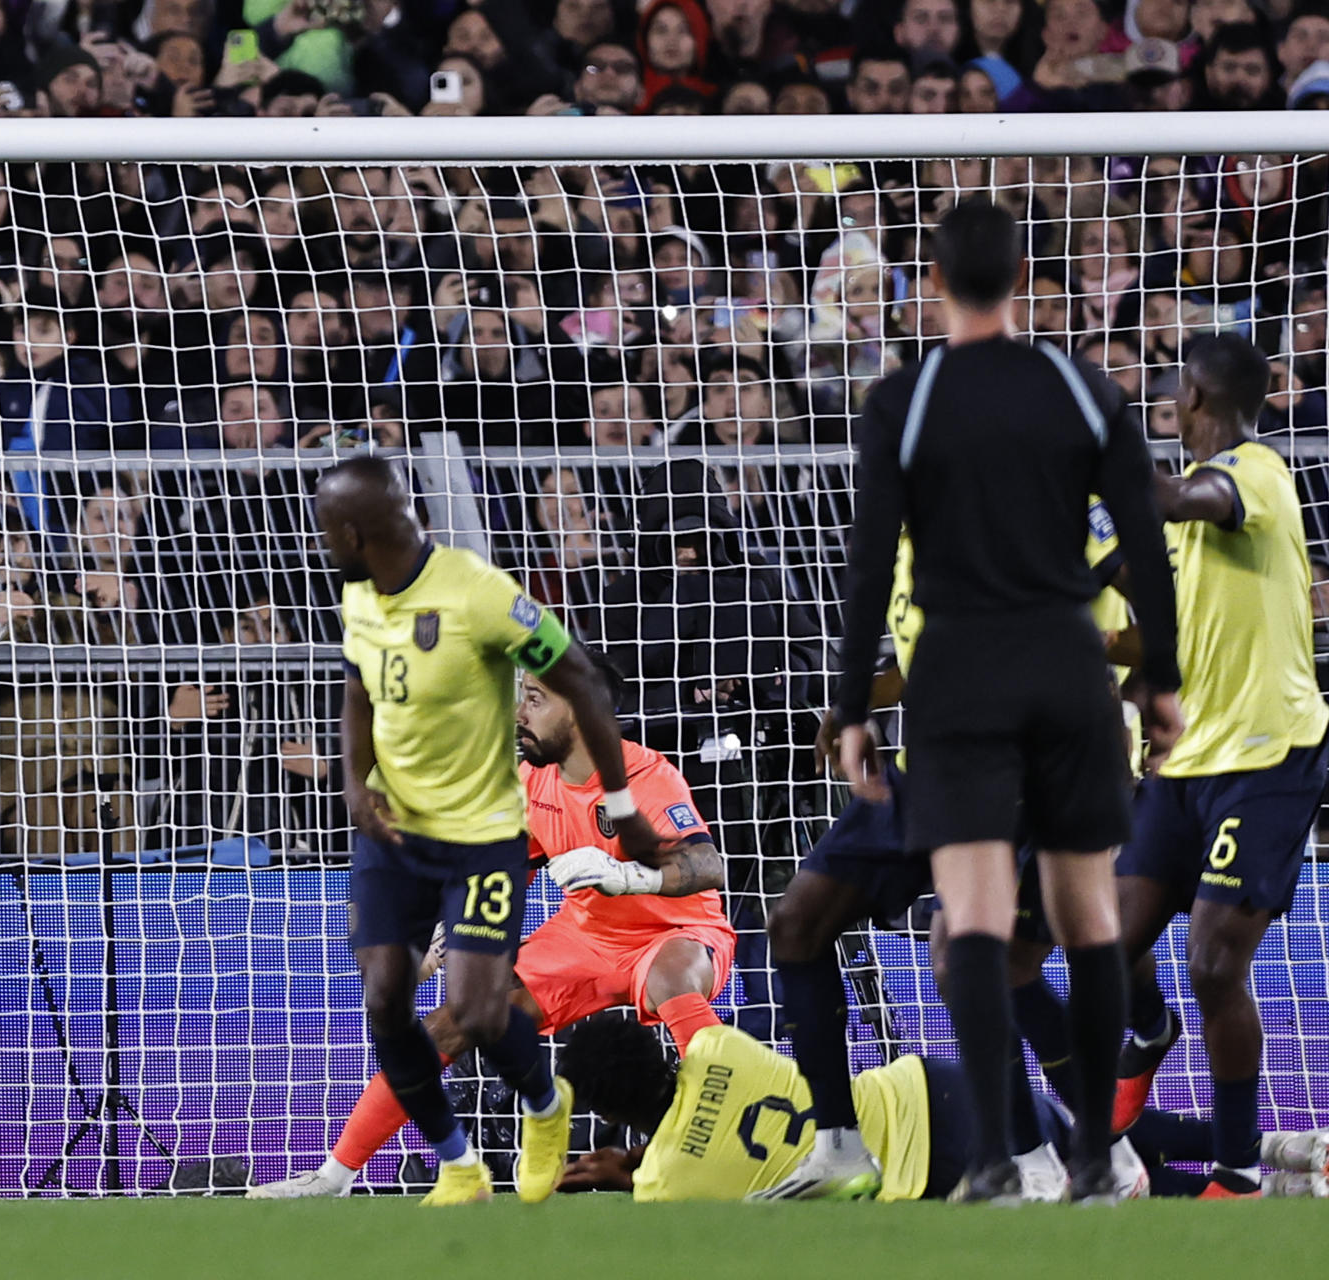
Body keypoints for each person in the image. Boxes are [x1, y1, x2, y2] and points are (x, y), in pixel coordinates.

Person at [831, 197, 1183, 1203]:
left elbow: (867, 568)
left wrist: (852, 706)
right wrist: (1160, 682)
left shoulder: (903, 400)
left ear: (931, 282)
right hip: (1068, 667)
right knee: (1085, 914)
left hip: (956, 674)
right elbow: (1149, 548)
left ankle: (990, 1156)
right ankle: (1090, 1160)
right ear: (1024, 278)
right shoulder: (1082, 389)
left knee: (976, 919)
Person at [313, 456, 671, 1206]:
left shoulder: (477, 591)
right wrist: (353, 785)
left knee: (479, 1008)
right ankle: (458, 1166)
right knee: (387, 997)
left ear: (353, 529)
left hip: (481, 831)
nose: (319, 539)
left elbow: (577, 675)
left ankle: (547, 1105)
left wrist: (624, 805)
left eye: (323, 525)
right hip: (393, 827)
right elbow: (357, 694)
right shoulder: (358, 598)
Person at [247, 655, 732, 1198]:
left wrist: (627, 875)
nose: (519, 712)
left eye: (536, 699)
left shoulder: (645, 776)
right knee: (450, 1023)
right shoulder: (529, 781)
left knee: (669, 976)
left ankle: (726, 1134)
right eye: (522, 696)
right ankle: (333, 1177)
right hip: (584, 938)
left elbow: (709, 866)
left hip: (675, 932)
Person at [764, 495, 1131, 1199]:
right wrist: (853, 705)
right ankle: (839, 1147)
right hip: (933, 763)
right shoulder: (912, 524)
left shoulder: (1032, 498)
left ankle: (1066, 1156)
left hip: (1037, 763)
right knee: (797, 924)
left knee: (982, 961)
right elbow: (920, 656)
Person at [1112, 335, 1329, 1199]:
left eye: (1173, 389)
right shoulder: (1175, 530)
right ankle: (1148, 1027)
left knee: (1214, 962)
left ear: (1195, 395)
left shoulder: (1257, 473)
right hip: (1182, 761)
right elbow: (1150, 622)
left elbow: (1187, 496)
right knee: (1106, 944)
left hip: (1268, 755)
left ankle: (1238, 1172)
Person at [550, 1013, 1328, 1201]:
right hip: (929, 1084)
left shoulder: (665, 1185)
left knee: (1114, 1186)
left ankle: (1287, 1188)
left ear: (613, 1114)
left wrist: (630, 1174)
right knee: (1102, 1132)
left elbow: (698, 1173)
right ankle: (1282, 1149)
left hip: (935, 1169)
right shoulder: (717, 1046)